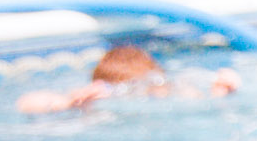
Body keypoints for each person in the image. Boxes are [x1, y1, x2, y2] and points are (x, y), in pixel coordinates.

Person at [17, 42, 240, 114]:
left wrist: (221, 94)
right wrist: (68, 103)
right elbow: (25, 104)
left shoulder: (176, 89)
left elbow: (205, 109)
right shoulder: (94, 103)